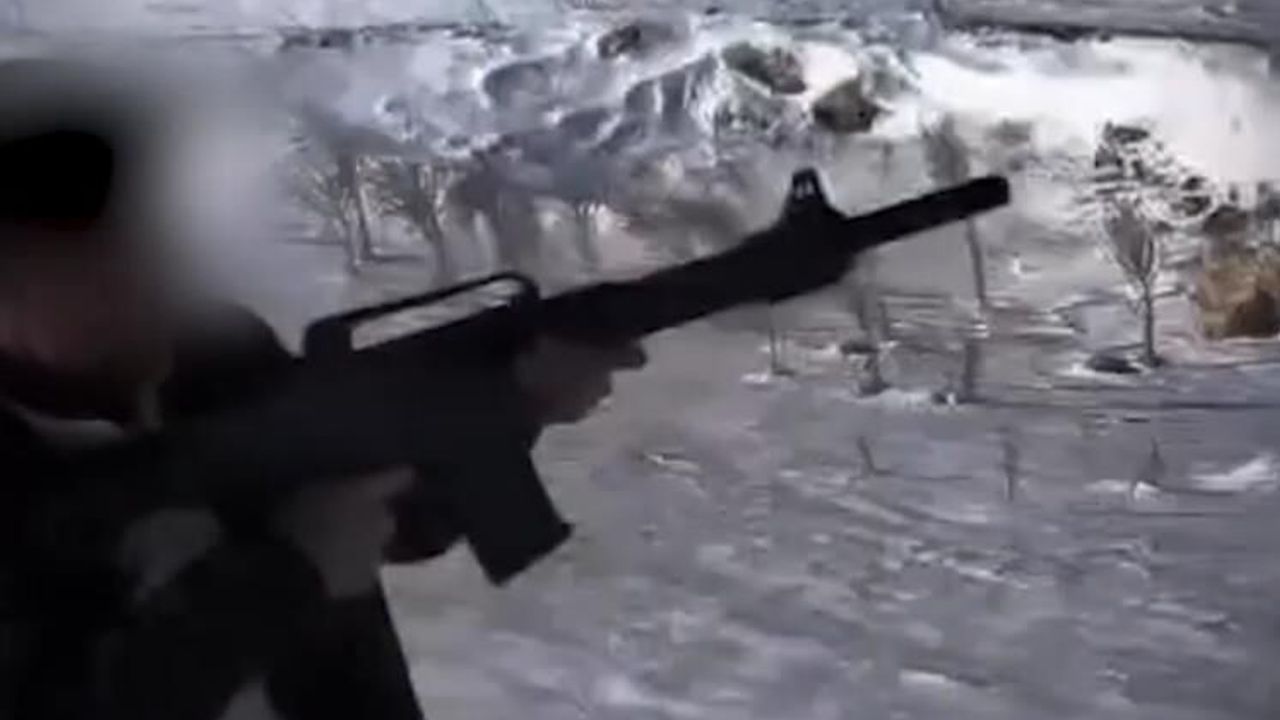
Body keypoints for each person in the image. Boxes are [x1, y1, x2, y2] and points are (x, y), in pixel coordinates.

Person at [0, 57, 645, 720]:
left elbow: (395, 516)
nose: (147, 271)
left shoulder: (219, 356)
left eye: (133, 233)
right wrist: (291, 570)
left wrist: (511, 404)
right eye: (86, 253)